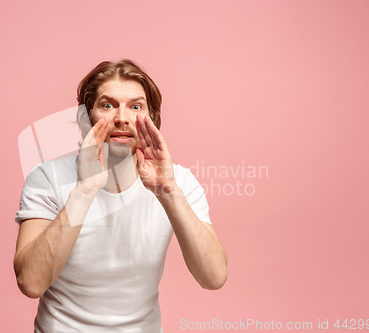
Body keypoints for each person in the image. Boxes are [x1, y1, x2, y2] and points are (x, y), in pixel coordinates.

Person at [13, 59, 228, 332]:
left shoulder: (179, 182)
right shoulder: (46, 178)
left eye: (136, 107)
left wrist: (169, 193)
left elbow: (214, 277)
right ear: (85, 117)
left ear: (153, 120)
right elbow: (30, 283)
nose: (122, 118)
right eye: (107, 105)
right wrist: (84, 191)